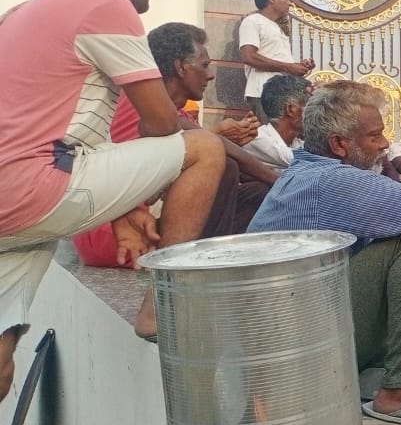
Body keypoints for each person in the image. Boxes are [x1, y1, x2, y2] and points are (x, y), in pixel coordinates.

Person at [0, 0, 228, 400]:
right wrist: (134, 202)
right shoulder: (103, 3)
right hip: (36, 190)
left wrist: (124, 207)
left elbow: (75, 130)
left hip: (12, 205)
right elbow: (161, 122)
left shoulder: (18, 14)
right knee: (205, 149)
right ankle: (161, 306)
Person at [248, 81, 401, 425]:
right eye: (375, 136)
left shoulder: (304, 172)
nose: (385, 144)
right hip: (296, 344)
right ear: (339, 144)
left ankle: (372, 382)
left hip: (307, 331)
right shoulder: (334, 180)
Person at [71, 23, 276, 266]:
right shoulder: (144, 100)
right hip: (119, 233)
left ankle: (217, 260)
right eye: (204, 65)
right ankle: (190, 264)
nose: (211, 75)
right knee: (226, 169)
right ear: (180, 67)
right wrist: (282, 181)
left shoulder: (178, 112)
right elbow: (214, 147)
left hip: (143, 221)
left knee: (257, 193)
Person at [238, 0, 312, 123]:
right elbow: (249, 56)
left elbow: (278, 58)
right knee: (269, 135)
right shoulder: (252, 21)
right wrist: (289, 67)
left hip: (283, 93)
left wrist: (298, 67)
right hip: (262, 92)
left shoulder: (278, 27)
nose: (290, 3)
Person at [243, 74, 309, 170]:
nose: (315, 113)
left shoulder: (297, 143)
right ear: (290, 110)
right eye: (309, 107)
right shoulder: (257, 138)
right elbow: (310, 160)